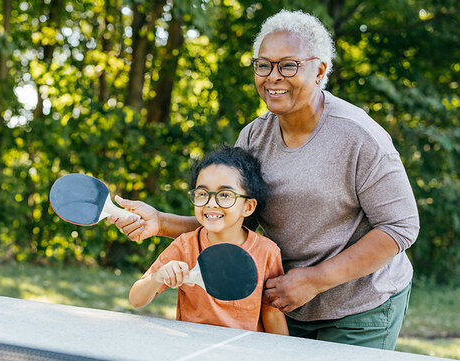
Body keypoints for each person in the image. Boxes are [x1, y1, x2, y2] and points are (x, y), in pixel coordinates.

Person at [112, 10, 419, 350]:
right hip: (283, 301)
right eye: (264, 65)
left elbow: (399, 228)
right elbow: (237, 218)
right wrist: (160, 222)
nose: (273, 77)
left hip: (359, 305)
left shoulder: (360, 137)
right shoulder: (255, 137)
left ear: (319, 70)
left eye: (288, 65)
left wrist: (315, 280)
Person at [128, 145, 288, 335]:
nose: (211, 203)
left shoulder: (267, 252)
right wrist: (158, 277)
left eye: (225, 195)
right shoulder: (185, 246)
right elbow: (136, 299)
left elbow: (272, 314)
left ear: (248, 207)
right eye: (202, 193)